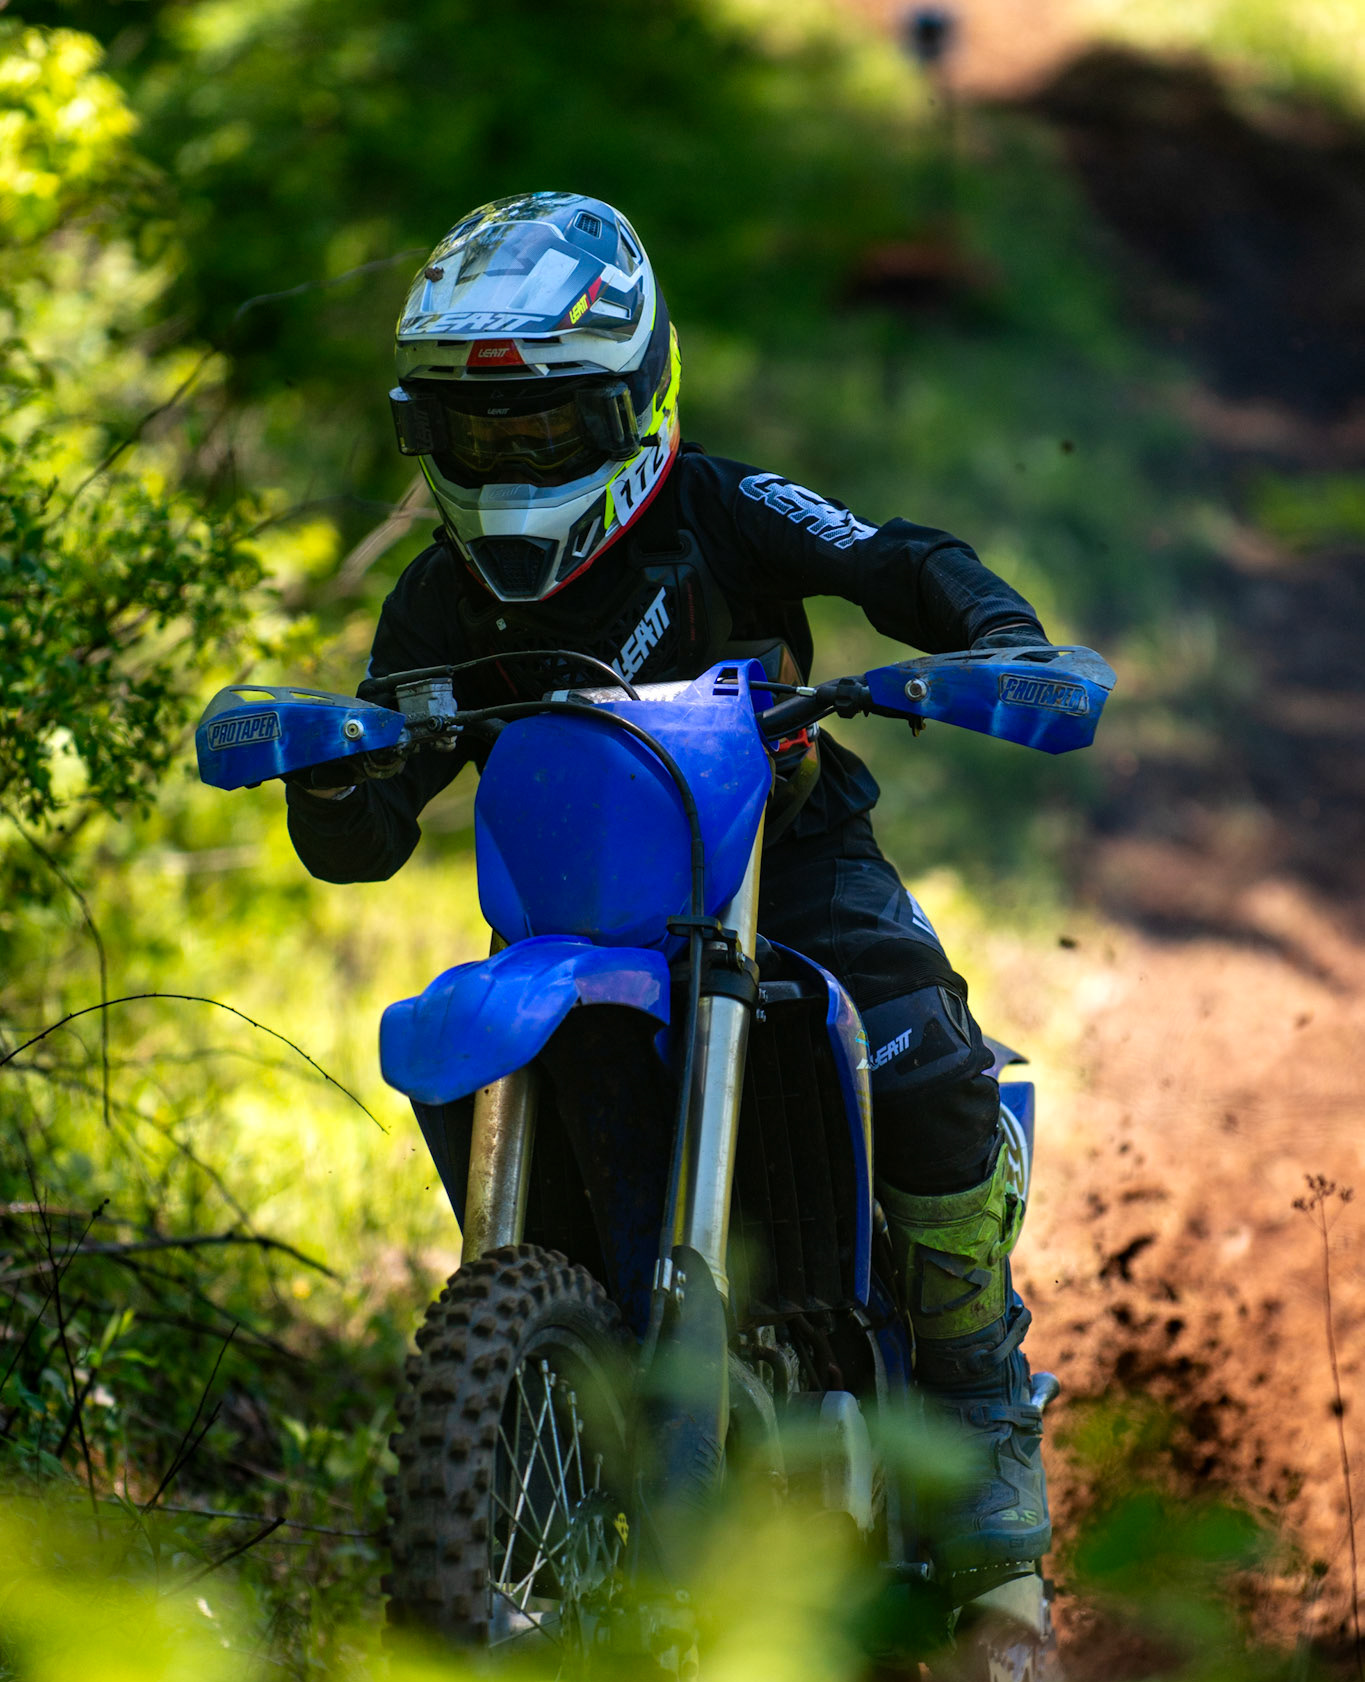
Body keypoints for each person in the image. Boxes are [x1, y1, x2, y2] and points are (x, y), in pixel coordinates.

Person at [287, 192, 1052, 1592]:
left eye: (546, 425)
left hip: (788, 866)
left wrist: (998, 635)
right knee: (465, 1049)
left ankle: (977, 1394)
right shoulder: (439, 601)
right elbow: (364, 836)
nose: (513, 455)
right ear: (424, 433)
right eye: (479, 431)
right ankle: (544, 1433)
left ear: (636, 399)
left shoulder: (721, 506)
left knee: (920, 1053)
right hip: (572, 920)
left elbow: (892, 558)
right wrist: (336, 772)